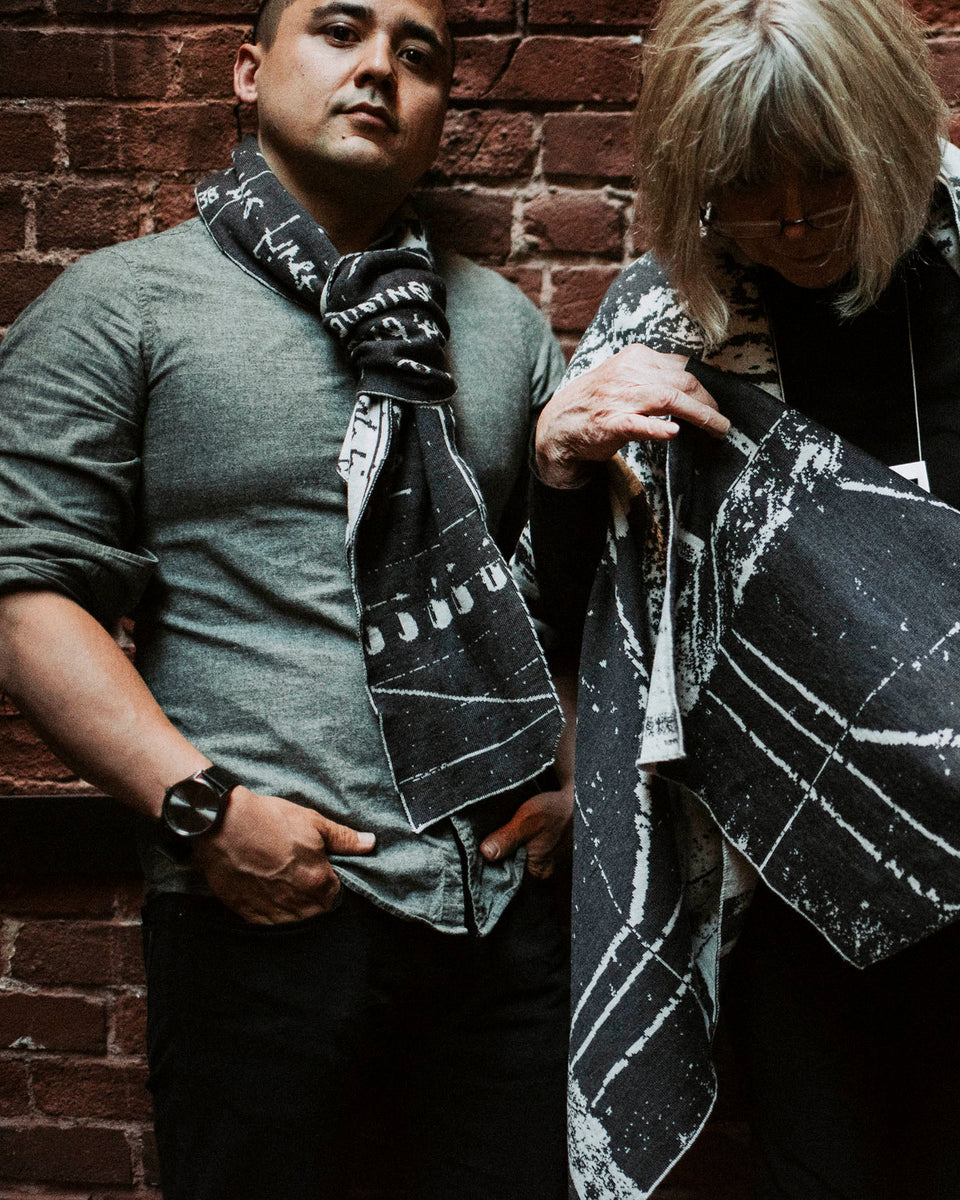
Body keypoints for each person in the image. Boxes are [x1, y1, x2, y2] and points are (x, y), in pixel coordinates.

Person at [0, 1, 576, 1196]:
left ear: (440, 111)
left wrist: (573, 777)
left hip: (493, 923)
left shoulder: (505, 327)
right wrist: (205, 813)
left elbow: (563, 590)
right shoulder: (126, 304)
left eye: (419, 55)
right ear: (250, 70)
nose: (380, 68)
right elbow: (25, 592)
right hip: (263, 912)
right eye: (342, 31)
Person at [529, 0, 960, 1197]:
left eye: (828, 173)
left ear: (892, 133)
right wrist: (562, 469)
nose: (796, 220)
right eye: (747, 189)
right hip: (796, 895)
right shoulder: (665, 327)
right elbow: (573, 634)